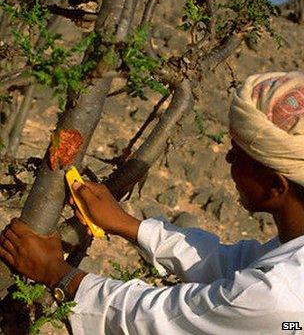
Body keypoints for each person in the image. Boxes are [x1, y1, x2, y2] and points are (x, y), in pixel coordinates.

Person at [1, 71, 304, 334]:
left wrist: (56, 272)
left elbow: (164, 318)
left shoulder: (281, 298)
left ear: (276, 185)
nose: (227, 158)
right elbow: (230, 266)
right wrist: (128, 225)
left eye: (238, 156)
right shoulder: (288, 259)